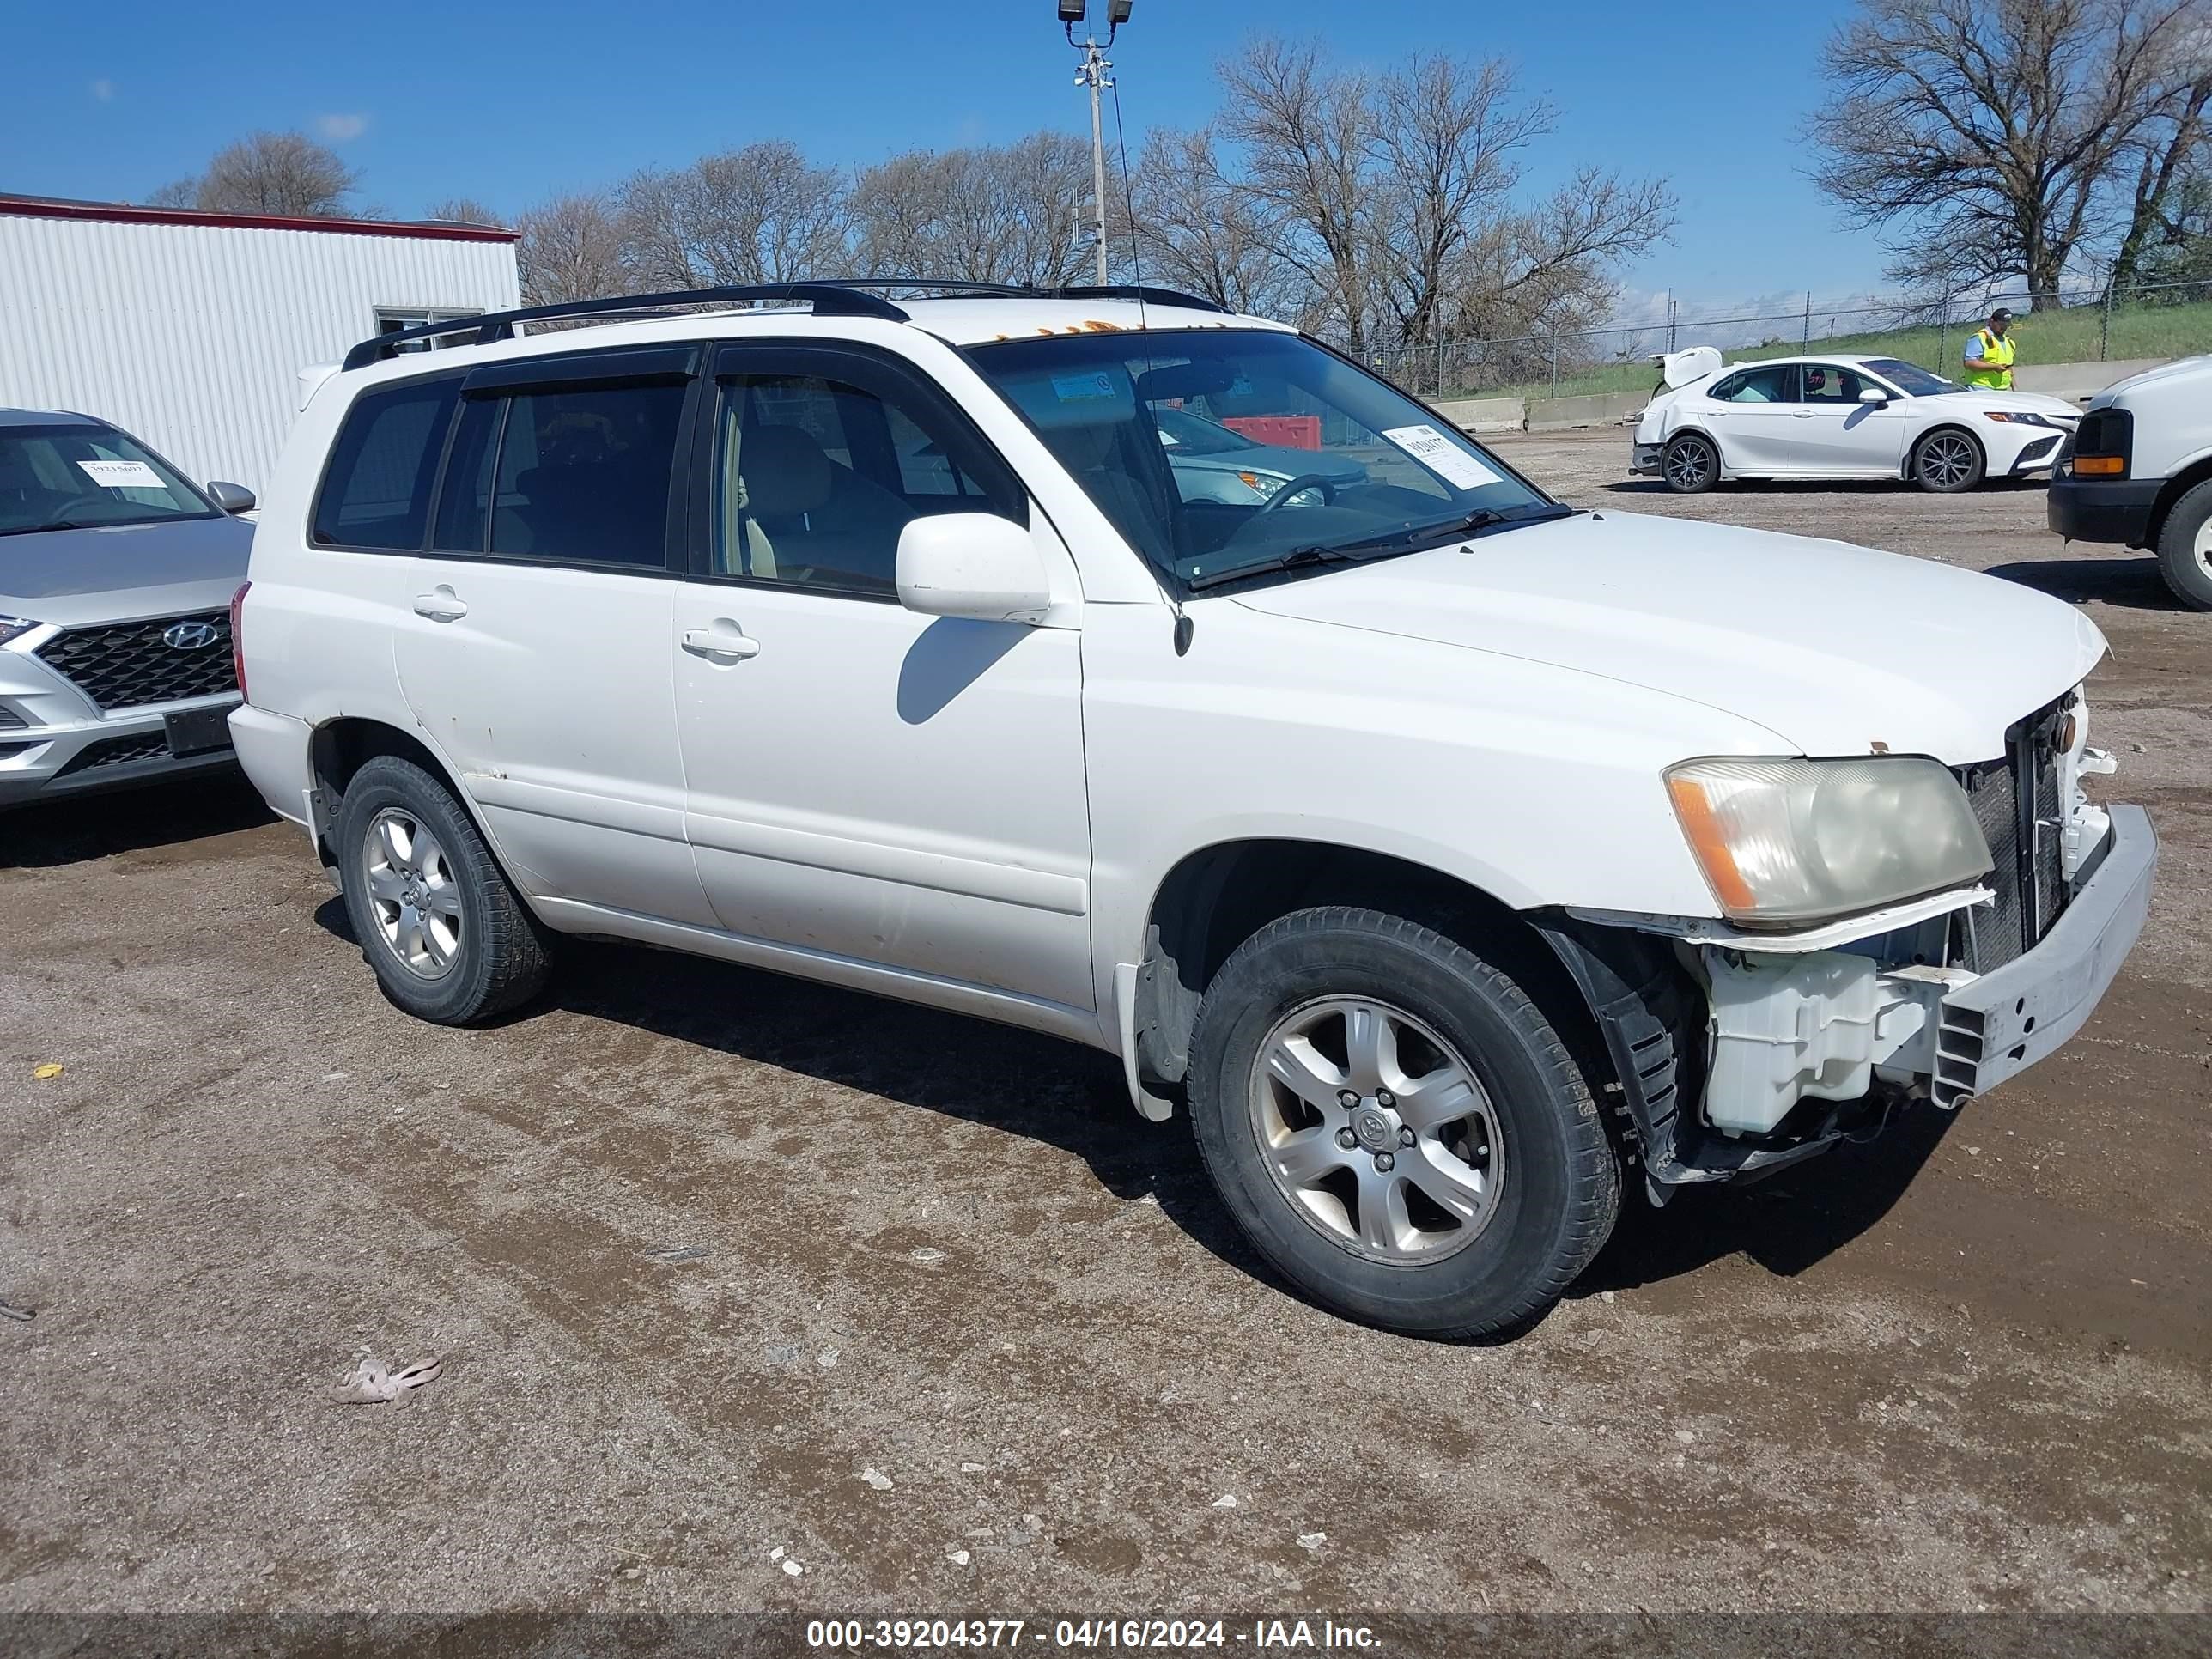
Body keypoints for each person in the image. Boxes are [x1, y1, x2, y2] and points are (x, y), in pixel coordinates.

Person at [1962, 307, 2017, 390]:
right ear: (1992, 321)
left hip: (2003, 389)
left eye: (2006, 325)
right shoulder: (1979, 338)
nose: (2004, 328)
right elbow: (1969, 363)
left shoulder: (2009, 342)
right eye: (2001, 325)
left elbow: (2009, 368)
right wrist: (1994, 367)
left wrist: (2014, 387)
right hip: (1981, 387)